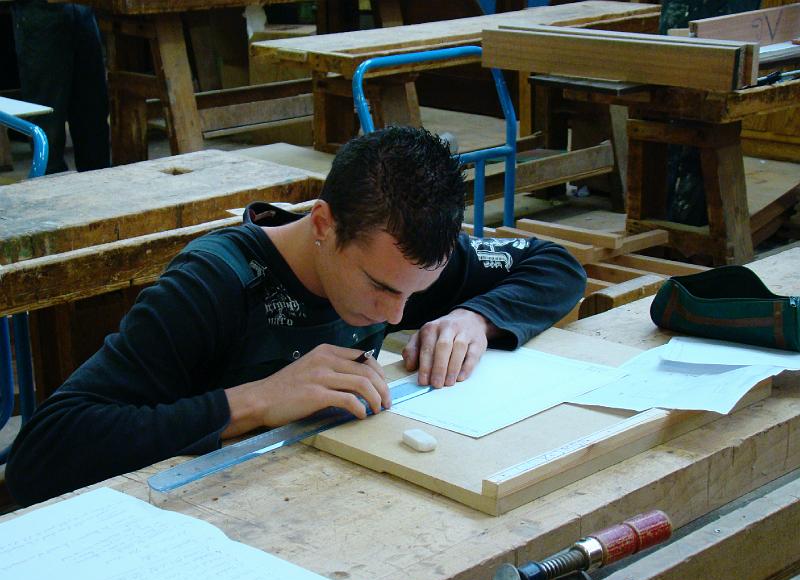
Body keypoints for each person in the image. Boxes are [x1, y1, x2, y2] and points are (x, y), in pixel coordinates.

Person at [6, 127, 586, 506]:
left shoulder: (402, 257)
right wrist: (256, 401)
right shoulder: (214, 285)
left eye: (418, 294)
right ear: (324, 224)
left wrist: (476, 317)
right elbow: (42, 454)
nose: (397, 313)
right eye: (380, 288)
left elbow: (556, 265)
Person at [11, 0, 110, 173]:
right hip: (40, 12)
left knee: (93, 117)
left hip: (82, 10)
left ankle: (100, 182)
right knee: (47, 120)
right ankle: (50, 186)